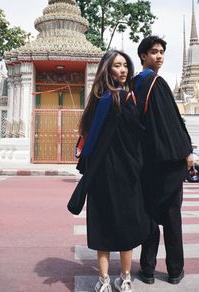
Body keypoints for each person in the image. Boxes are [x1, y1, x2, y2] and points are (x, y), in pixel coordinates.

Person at [68, 50, 155, 292]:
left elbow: (90, 138)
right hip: (124, 172)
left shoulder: (100, 99)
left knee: (102, 225)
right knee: (123, 225)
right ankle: (121, 279)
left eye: (125, 65)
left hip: (102, 173)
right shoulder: (123, 98)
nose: (123, 70)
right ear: (107, 69)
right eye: (117, 66)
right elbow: (137, 136)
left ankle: (106, 280)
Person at [132, 36, 194, 285]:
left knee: (149, 218)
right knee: (170, 219)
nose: (159, 56)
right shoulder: (156, 83)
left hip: (145, 165)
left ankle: (147, 270)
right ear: (143, 56)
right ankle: (175, 270)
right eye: (154, 52)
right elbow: (172, 124)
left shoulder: (135, 84)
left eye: (161, 52)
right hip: (167, 165)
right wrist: (187, 152)